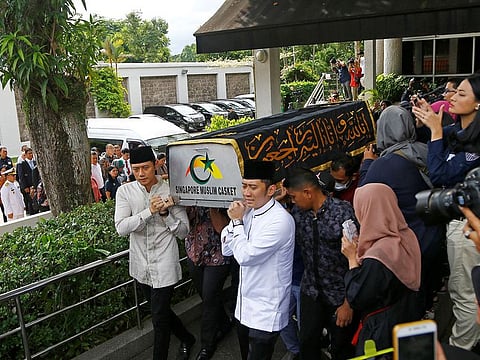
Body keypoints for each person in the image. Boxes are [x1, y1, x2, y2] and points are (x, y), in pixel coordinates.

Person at [412, 74, 480, 350]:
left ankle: (460, 348)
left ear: (478, 105)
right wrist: (431, 122)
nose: (451, 97)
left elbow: (439, 173)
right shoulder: (460, 132)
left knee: (465, 295)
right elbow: (435, 142)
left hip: (469, 229)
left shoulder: (476, 147)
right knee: (459, 289)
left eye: (461, 94)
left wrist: (436, 132)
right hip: (456, 226)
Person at [359, 105, 447, 313]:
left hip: (409, 243)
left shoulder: (384, 164)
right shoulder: (428, 149)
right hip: (434, 232)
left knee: (411, 295)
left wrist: (367, 165)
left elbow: (364, 196)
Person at [114, 146, 195, 360]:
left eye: (146, 168)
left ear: (156, 166)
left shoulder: (171, 191)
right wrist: (148, 212)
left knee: (159, 318)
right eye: (136, 168)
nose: (141, 174)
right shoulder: (125, 191)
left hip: (164, 262)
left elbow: (184, 232)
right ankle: (187, 338)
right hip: (141, 263)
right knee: (161, 312)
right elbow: (121, 227)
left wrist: (166, 214)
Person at [221, 160, 295, 360]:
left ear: (271, 189)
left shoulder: (280, 221)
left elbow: (245, 256)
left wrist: (236, 221)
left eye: (253, 187)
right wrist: (235, 221)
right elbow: (227, 249)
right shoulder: (249, 212)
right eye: (244, 186)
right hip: (244, 305)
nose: (246, 192)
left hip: (267, 309)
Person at [283, 168, 358, 360]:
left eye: (294, 196)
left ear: (308, 192)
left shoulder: (342, 212)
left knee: (341, 349)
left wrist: (348, 303)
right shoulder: (298, 215)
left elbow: (356, 258)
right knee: (307, 344)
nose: (292, 201)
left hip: (340, 296)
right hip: (311, 292)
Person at [341, 183, 423, 355]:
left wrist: (351, 260)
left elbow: (358, 297)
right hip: (407, 319)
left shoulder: (378, 256)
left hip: (382, 332)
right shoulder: (405, 235)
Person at [185, 207, 233, 360]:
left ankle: (207, 345)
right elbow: (181, 225)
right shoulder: (187, 195)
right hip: (194, 253)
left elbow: (223, 228)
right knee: (206, 295)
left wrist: (212, 206)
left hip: (218, 254)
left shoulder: (223, 198)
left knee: (210, 298)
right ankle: (225, 323)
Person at [17, 147, 40, 215]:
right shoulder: (22, 164)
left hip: (35, 185)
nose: (31, 155)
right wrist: (25, 186)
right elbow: (21, 176)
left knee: (37, 200)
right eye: (29, 153)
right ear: (26, 155)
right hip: (28, 186)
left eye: (32, 153)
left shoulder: (35, 162)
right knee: (31, 202)